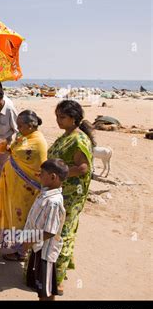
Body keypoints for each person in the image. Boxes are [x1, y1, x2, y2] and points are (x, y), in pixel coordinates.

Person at [46, 100, 94, 295]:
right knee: (56, 231)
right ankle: (58, 270)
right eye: (57, 116)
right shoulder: (66, 135)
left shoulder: (78, 140)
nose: (58, 120)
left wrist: (58, 175)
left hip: (70, 196)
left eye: (62, 117)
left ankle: (57, 280)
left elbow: (83, 168)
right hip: (58, 193)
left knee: (62, 234)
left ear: (73, 119)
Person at [0, 110, 47, 261]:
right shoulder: (24, 136)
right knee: (16, 217)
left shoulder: (37, 141)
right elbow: (14, 150)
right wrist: (7, 148)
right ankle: (18, 247)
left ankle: (22, 252)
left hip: (27, 189)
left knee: (23, 219)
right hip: (17, 188)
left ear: (31, 125)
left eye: (21, 125)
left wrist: (11, 150)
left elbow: (22, 155)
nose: (18, 128)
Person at [22, 159, 68, 301]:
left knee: (45, 290)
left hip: (45, 252)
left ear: (53, 177)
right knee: (43, 286)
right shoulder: (47, 192)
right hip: (39, 248)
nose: (39, 175)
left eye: (42, 173)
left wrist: (29, 241)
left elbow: (50, 231)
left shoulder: (53, 202)